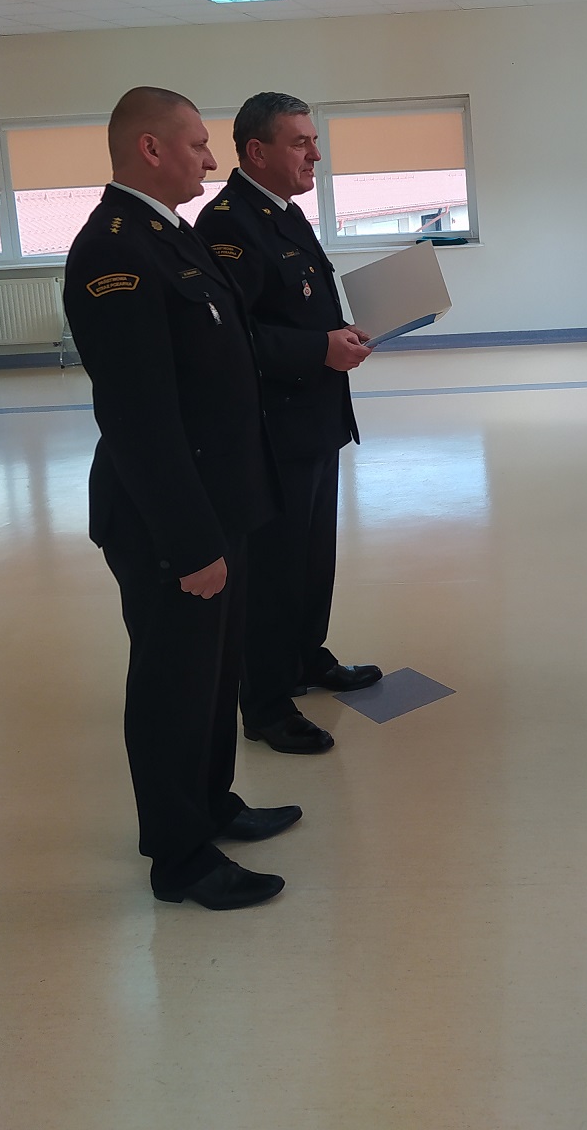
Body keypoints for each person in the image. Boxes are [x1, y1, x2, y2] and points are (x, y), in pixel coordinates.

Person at [63, 86, 299, 911]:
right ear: (151, 149)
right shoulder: (115, 254)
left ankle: (211, 803)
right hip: (172, 519)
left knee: (214, 672)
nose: (211, 157)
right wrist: (192, 541)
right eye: (198, 143)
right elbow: (140, 420)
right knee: (174, 683)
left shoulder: (169, 234)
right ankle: (180, 855)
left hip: (217, 503)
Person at [195, 92, 381, 755]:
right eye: (301, 142)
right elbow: (231, 338)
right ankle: (268, 704)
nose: (315, 155)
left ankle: (305, 657)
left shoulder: (282, 212)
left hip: (314, 420)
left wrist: (337, 334)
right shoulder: (229, 225)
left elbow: (297, 310)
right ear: (257, 151)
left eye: (314, 140)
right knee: (274, 570)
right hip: (273, 431)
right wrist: (318, 349)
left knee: (310, 557)